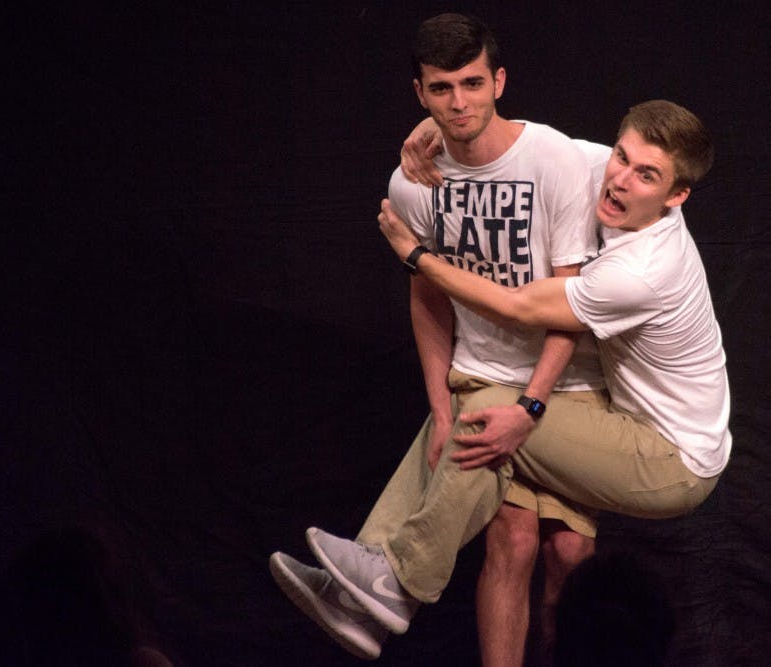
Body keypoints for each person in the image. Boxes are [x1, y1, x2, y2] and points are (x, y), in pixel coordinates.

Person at [303, 98, 730, 648]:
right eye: (622, 157)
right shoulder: (603, 171)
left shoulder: (642, 271)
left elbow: (517, 307)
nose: (621, 180)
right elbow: (519, 144)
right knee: (511, 514)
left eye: (646, 175)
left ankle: (395, 578)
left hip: (671, 461)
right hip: (627, 426)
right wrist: (441, 126)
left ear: (676, 197)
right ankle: (364, 590)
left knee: (484, 410)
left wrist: (417, 257)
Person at [269, 13, 605, 663]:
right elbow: (427, 295)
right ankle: (372, 591)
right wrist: (441, 407)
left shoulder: (553, 160)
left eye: (472, 83)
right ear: (420, 93)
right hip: (480, 374)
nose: (459, 102)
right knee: (512, 540)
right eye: (442, 88)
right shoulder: (413, 183)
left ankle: (373, 585)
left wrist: (529, 403)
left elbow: (570, 306)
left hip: (568, 380)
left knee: (569, 551)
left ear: (499, 81)